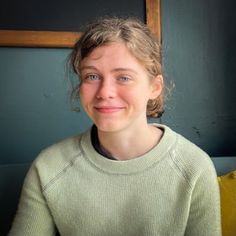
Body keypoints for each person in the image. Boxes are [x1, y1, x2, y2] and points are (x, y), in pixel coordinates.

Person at [9, 17, 221, 236]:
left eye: (123, 77)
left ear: (154, 88)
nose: (104, 92)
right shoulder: (48, 168)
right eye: (92, 76)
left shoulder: (194, 167)